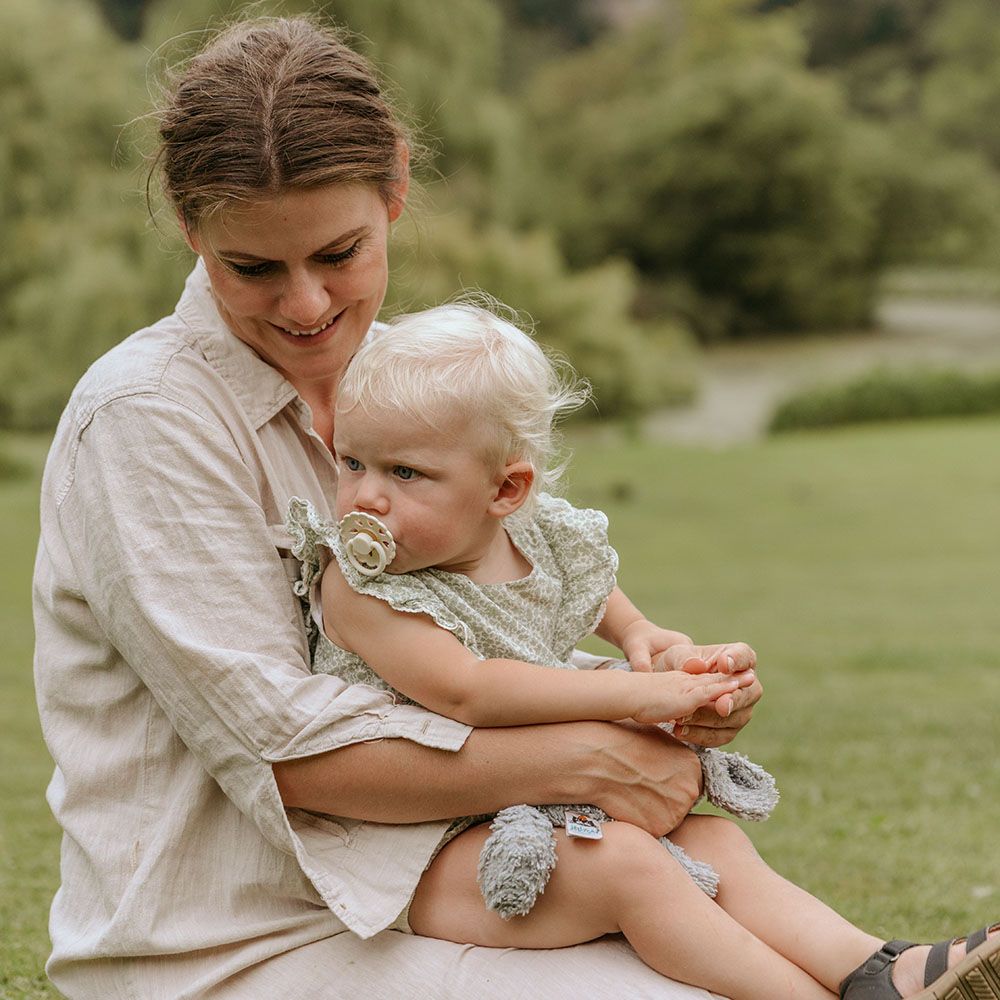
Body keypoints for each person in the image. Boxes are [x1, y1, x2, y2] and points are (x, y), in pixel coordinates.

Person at [32, 15, 765, 1000]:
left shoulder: (406, 387)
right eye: (253, 268)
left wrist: (656, 674)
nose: (303, 305)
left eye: (339, 253)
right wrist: (591, 751)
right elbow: (286, 749)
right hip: (231, 945)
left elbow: (478, 632)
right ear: (186, 223)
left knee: (731, 931)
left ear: (398, 187)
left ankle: (892, 974)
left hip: (434, 878)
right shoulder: (145, 417)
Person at [292, 302, 1000, 1000]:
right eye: (352, 462)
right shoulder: (364, 588)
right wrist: (634, 692)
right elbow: (465, 690)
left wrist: (648, 643)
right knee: (623, 864)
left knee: (714, 844)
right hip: (409, 850)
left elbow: (596, 598)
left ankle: (879, 971)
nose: (366, 498)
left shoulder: (537, 541)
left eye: (404, 473)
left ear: (505, 490)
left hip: (537, 805)